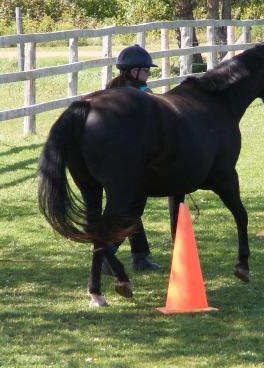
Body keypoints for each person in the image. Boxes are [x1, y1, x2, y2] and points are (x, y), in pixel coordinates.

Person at [103, 44, 160, 272]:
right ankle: (108, 253)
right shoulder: (142, 96)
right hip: (133, 161)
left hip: (109, 161)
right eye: (146, 70)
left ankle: (140, 255)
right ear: (134, 71)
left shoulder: (111, 92)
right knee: (131, 207)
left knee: (131, 207)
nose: (148, 74)